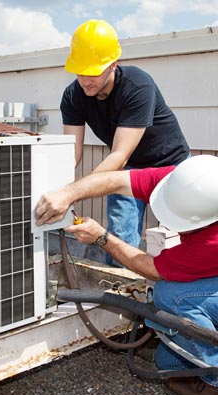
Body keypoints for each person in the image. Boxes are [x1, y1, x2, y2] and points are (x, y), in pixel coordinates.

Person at [35, 155, 218, 395]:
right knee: (166, 360)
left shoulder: (211, 242)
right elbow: (117, 180)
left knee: (172, 297)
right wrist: (68, 194)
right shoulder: (187, 182)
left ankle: (213, 381)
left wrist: (102, 237)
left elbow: (153, 269)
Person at [61, 19, 189, 263]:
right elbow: (72, 154)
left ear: (113, 65)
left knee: (181, 237)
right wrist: (58, 188)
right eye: (80, 71)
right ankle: (119, 294)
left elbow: (119, 154)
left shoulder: (137, 86)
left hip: (171, 165)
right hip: (129, 169)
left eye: (95, 72)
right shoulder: (73, 96)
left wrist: (72, 193)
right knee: (119, 237)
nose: (86, 80)